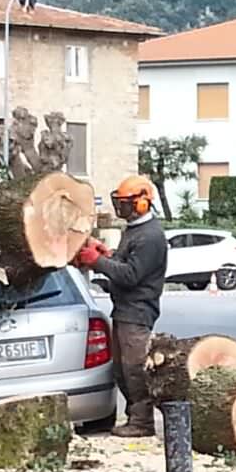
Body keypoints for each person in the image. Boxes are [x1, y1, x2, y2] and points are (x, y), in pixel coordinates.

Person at [75, 175, 167, 438]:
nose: (121, 208)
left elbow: (131, 275)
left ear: (141, 203)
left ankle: (143, 421)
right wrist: (107, 255)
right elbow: (124, 263)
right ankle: (133, 417)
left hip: (138, 311)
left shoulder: (151, 236)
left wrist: (97, 262)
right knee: (120, 368)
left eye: (126, 203)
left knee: (135, 367)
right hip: (124, 309)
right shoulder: (135, 230)